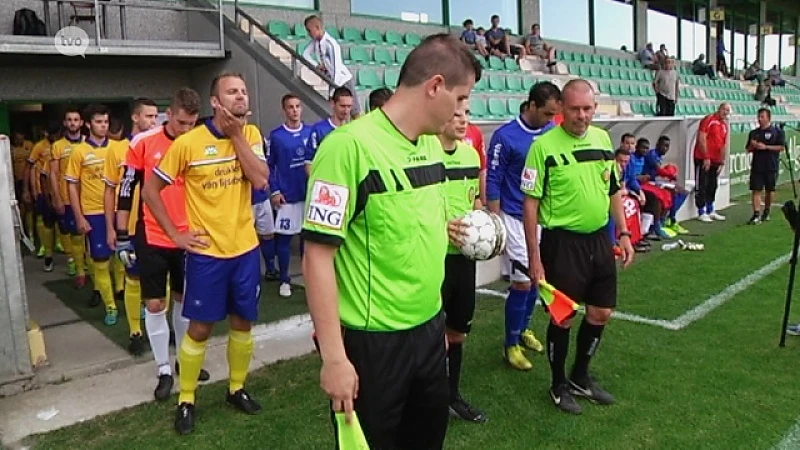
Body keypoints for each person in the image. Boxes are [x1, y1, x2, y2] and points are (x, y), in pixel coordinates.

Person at [301, 33, 480, 449]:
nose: (461, 111)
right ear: (435, 86)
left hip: (428, 330)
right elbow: (317, 257)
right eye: (460, 97)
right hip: (372, 343)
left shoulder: (434, 148)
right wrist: (334, 357)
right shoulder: (347, 148)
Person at [143, 73, 268, 435]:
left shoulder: (251, 135)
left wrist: (236, 137)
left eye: (243, 91)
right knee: (199, 328)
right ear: (216, 102)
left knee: (243, 321)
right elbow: (151, 190)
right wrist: (175, 234)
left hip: (245, 250)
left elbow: (260, 179)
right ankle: (186, 398)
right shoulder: (188, 142)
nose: (240, 96)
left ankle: (236, 388)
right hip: (207, 255)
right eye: (232, 92)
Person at [521, 79, 634, 415]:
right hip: (562, 243)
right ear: (561, 109)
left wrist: (624, 233)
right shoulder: (543, 147)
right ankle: (558, 385)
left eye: (587, 109)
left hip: (599, 239)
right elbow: (530, 204)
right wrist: (534, 258)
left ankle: (580, 377)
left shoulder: (602, 139)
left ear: (594, 108)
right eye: (574, 109)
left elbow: (613, 189)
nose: (581, 116)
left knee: (601, 312)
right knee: (563, 317)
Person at [120, 88, 211, 401]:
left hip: (191, 235)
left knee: (185, 301)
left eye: (191, 124)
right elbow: (128, 187)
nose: (186, 130)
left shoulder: (200, 142)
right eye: (181, 122)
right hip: (153, 235)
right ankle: (162, 369)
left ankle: (185, 361)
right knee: (155, 304)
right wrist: (121, 234)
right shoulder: (143, 142)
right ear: (168, 115)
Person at [487, 81, 560, 371]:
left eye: (554, 114)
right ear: (530, 106)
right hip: (514, 216)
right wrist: (496, 222)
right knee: (522, 281)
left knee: (537, 277)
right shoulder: (506, 136)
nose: (550, 119)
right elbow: (493, 179)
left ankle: (524, 328)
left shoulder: (551, 133)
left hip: (541, 217)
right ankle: (510, 344)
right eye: (546, 113)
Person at [438, 100, 485, 424]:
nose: (463, 120)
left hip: (464, 260)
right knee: (429, 336)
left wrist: (485, 229)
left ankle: (452, 396)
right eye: (456, 114)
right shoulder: (424, 154)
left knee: (457, 332)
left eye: (466, 114)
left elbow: (476, 199)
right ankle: (430, 400)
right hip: (433, 258)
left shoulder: (470, 155)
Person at [65, 104, 118, 325]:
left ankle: (129, 297)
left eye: (106, 122)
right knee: (101, 260)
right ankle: (111, 306)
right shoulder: (79, 151)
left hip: (118, 211)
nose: (103, 126)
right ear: (88, 124)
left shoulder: (117, 147)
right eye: (98, 122)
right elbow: (72, 186)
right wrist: (79, 217)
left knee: (124, 258)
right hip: (94, 213)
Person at [268, 94, 312, 298]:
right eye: (290, 107)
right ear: (283, 110)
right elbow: (270, 166)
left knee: (308, 241)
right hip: (287, 197)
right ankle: (284, 279)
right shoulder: (276, 136)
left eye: (297, 106)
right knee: (284, 240)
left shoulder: (311, 132)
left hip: (308, 196)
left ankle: (308, 279)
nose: (294, 110)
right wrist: (275, 190)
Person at [302, 15, 362, 118]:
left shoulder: (331, 44)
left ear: (317, 28)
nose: (308, 34)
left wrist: (332, 91)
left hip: (343, 80)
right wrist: (316, 65)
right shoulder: (315, 42)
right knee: (337, 111)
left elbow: (337, 70)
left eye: (309, 30)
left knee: (354, 111)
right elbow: (305, 54)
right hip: (332, 81)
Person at [49, 108, 84, 284]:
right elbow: (53, 175)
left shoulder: (89, 144)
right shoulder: (57, 146)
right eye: (69, 120)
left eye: (76, 120)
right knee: (75, 235)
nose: (72, 123)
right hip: (67, 198)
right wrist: (56, 198)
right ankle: (77, 268)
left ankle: (88, 266)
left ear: (82, 123)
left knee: (89, 236)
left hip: (88, 198)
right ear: (65, 123)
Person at [27, 123, 61, 272]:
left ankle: (74, 259)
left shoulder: (63, 146)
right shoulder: (40, 147)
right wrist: (33, 190)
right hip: (46, 191)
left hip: (65, 193)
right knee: (47, 221)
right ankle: (47, 253)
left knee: (68, 228)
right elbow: (40, 173)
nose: (54, 137)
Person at [642, 136, 689, 235]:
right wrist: (670, 174)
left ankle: (670, 218)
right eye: (664, 145)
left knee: (683, 192)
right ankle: (662, 222)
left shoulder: (658, 156)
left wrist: (669, 173)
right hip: (646, 182)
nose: (666, 148)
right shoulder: (652, 154)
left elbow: (657, 172)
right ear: (658, 145)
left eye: (668, 146)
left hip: (653, 181)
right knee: (670, 193)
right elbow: (659, 170)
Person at [693, 103, 732, 222]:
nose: (725, 112)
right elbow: (701, 138)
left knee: (712, 185)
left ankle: (710, 209)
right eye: (724, 109)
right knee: (702, 184)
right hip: (703, 158)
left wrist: (722, 161)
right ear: (719, 109)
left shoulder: (724, 125)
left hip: (715, 160)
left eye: (727, 110)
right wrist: (705, 156)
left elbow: (723, 145)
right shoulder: (709, 120)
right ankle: (701, 211)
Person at [746, 108, 785, 224]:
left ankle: (767, 211)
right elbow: (748, 149)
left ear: (768, 118)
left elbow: (781, 147)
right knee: (756, 189)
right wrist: (753, 146)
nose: (759, 119)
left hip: (771, 165)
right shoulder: (754, 133)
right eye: (759, 116)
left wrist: (766, 147)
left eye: (762, 116)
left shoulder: (777, 132)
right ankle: (756, 214)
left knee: (769, 190)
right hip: (757, 166)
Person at [305, 86, 353, 176]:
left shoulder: (353, 130)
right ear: (332, 104)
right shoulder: (319, 130)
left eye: (349, 106)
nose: (346, 111)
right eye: (342, 106)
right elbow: (308, 162)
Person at [463, 115, 486, 205]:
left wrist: (483, 201)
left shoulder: (475, 132)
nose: (464, 118)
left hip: (470, 199)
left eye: (467, 112)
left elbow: (482, 170)